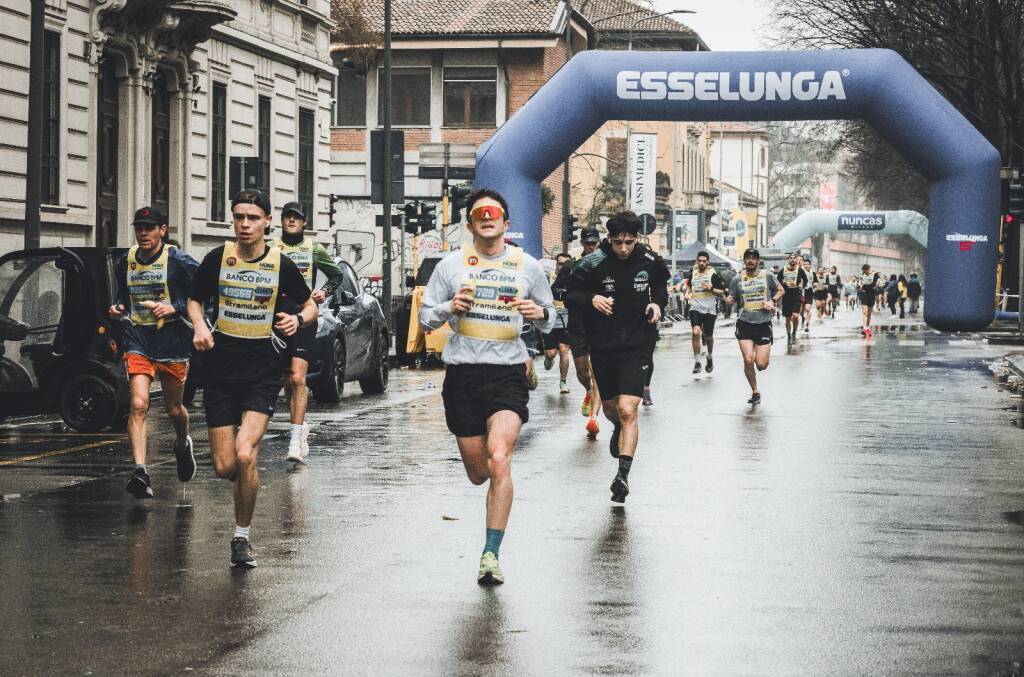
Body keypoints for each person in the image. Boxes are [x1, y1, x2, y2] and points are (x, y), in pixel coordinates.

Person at [418, 188, 555, 585]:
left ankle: (491, 553)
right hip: (463, 374)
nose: (488, 217)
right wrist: (449, 308)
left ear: (506, 223)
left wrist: (539, 312)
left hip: (507, 373)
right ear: (471, 223)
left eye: (495, 212)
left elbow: (550, 317)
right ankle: (490, 538)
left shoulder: (527, 266)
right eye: (480, 213)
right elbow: (426, 319)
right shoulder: (450, 266)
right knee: (478, 472)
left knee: (500, 459)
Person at [187, 190, 317, 569]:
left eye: (253, 218)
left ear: (267, 222)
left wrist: (299, 319)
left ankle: (241, 538)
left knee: (246, 454)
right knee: (226, 466)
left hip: (262, 368)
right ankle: (245, 475)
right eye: (239, 217)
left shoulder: (280, 263)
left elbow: (309, 303)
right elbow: (194, 299)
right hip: (221, 369)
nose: (244, 225)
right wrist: (199, 325)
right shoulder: (218, 258)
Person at [566, 211, 669, 504]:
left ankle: (622, 476)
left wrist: (657, 305)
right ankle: (616, 429)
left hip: (638, 344)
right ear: (608, 239)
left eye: (629, 242)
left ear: (636, 239)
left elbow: (661, 286)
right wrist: (591, 299)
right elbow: (567, 293)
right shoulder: (592, 263)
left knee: (628, 409)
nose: (624, 248)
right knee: (613, 409)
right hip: (604, 345)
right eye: (618, 242)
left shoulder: (649, 260)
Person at [109, 207, 199, 498]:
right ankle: (140, 471)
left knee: (174, 409)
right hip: (138, 339)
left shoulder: (179, 260)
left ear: (163, 230)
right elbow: (124, 296)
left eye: (150, 228)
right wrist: (118, 308)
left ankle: (183, 444)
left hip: (173, 342)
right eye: (139, 228)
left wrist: (176, 307)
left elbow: (204, 294)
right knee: (138, 404)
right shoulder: (126, 260)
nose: (143, 233)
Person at [270, 201, 343, 464]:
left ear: (304, 223)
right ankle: (299, 424)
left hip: (305, 314)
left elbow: (337, 275)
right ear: (281, 221)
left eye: (296, 218)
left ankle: (295, 439)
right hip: (277, 315)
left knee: (299, 379)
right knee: (288, 380)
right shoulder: (271, 247)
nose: (291, 221)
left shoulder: (314, 248)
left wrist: (325, 292)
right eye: (287, 217)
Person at [561, 227, 604, 438]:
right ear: (582, 243)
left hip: (600, 325)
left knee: (597, 372)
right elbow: (559, 291)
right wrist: (585, 298)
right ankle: (588, 392)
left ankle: (593, 419)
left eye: (594, 243)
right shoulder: (572, 265)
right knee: (582, 372)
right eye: (588, 243)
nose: (591, 246)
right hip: (578, 324)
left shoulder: (607, 264)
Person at [726, 248, 783, 405]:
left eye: (753, 258)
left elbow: (780, 290)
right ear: (744, 260)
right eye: (748, 258)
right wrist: (729, 300)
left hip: (763, 323)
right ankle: (755, 390)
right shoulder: (737, 279)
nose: (750, 260)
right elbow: (732, 297)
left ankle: (763, 360)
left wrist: (772, 301)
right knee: (748, 359)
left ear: (758, 261)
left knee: (761, 365)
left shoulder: (768, 275)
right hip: (744, 323)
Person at [684, 251, 726, 374]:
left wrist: (711, 288)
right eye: (699, 261)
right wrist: (687, 294)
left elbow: (722, 292)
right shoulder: (693, 272)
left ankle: (709, 356)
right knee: (695, 332)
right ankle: (697, 362)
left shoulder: (713, 274)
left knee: (708, 336)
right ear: (697, 261)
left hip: (709, 309)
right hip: (695, 307)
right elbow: (689, 286)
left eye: (704, 261)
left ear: (708, 262)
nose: (701, 263)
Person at [543, 253, 574, 394]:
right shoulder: (547, 279)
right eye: (560, 263)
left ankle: (563, 382)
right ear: (556, 264)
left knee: (563, 349)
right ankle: (548, 360)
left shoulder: (573, 280)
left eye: (566, 264)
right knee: (550, 353)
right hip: (549, 320)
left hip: (565, 321)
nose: (563, 267)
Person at [777, 253, 808, 341]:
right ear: (788, 260)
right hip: (786, 295)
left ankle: (794, 332)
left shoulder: (800, 270)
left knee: (795, 316)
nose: (793, 260)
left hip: (796, 295)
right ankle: (789, 335)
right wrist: (783, 284)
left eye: (795, 258)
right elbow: (778, 281)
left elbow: (805, 280)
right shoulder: (783, 270)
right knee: (787, 318)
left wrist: (802, 286)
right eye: (791, 258)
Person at [857, 264, 880, 338]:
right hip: (864, 294)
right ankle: (864, 328)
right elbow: (859, 285)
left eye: (866, 271)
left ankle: (867, 326)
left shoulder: (875, 274)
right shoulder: (862, 275)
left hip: (871, 294)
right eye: (864, 271)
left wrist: (863, 286)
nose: (865, 272)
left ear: (869, 269)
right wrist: (859, 287)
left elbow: (873, 285)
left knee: (869, 313)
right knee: (865, 311)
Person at [800, 258, 814, 333]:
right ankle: (802, 318)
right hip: (801, 292)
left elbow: (815, 282)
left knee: (808, 309)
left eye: (807, 264)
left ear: (810, 265)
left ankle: (807, 325)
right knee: (801, 311)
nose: (806, 266)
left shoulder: (813, 273)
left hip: (809, 292)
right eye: (804, 264)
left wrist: (815, 284)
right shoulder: (800, 272)